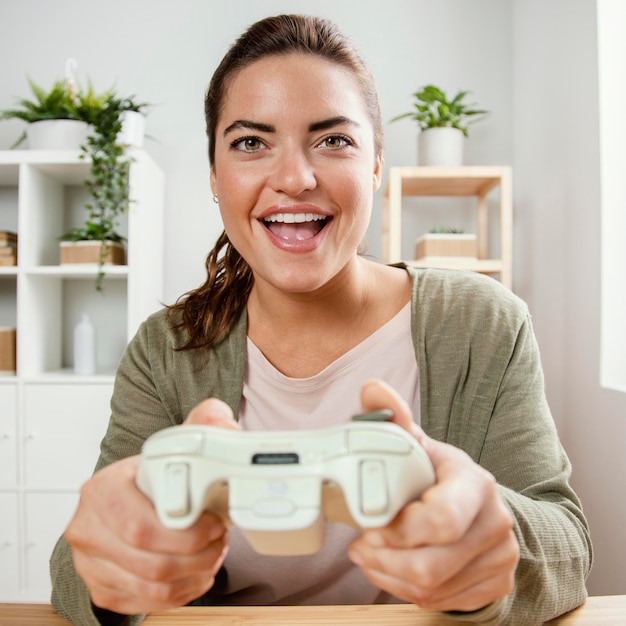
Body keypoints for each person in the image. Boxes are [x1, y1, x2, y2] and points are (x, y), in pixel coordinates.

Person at [49, 14, 592, 626]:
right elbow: (77, 568)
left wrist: (493, 545)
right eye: (250, 143)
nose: (293, 179)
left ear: (377, 166)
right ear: (213, 174)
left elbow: (566, 544)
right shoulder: (166, 349)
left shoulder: (483, 325)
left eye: (333, 140)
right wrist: (111, 573)